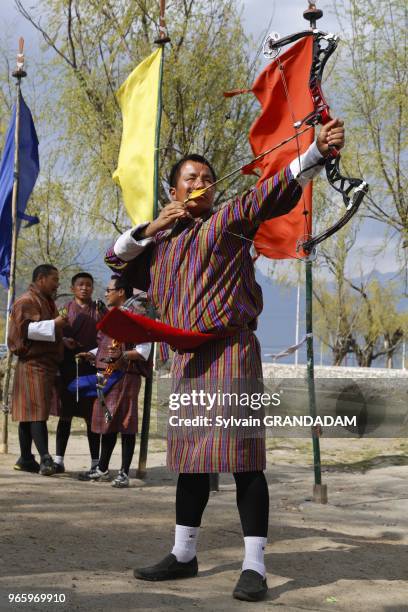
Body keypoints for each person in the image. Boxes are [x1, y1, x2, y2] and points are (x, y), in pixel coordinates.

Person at [105, 119, 345, 601]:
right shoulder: (160, 244)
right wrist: (152, 227)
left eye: (205, 177)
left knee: (243, 459)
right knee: (191, 461)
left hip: (231, 352)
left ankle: (254, 564)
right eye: (189, 178)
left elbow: (273, 192)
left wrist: (315, 153)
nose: (199, 183)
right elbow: (115, 259)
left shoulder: (230, 219)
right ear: (172, 190)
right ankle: (184, 555)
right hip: (187, 359)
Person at [77, 276, 152, 487]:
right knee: (107, 423)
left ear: (121, 292)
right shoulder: (112, 316)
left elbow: (143, 350)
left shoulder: (137, 314)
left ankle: (124, 473)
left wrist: (123, 358)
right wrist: (93, 354)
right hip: (107, 375)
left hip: (127, 376)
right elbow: (104, 345)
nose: (106, 293)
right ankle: (102, 468)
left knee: (126, 422)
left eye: (109, 289)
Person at [8, 264, 67, 476]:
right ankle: (45, 459)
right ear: (41, 279)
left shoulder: (44, 301)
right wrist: (56, 324)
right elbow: (27, 330)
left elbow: (43, 329)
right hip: (33, 364)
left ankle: (25, 459)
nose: (57, 284)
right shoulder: (27, 301)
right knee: (36, 412)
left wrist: (63, 339)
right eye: (54, 279)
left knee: (28, 413)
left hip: (43, 364)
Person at [51, 272, 104, 474]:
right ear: (73, 288)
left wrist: (94, 354)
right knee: (65, 416)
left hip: (91, 369)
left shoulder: (99, 310)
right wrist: (64, 341)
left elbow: (107, 338)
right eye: (80, 285)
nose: (85, 288)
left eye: (88, 285)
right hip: (69, 369)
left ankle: (95, 462)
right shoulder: (64, 310)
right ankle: (58, 460)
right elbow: (55, 334)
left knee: (92, 417)